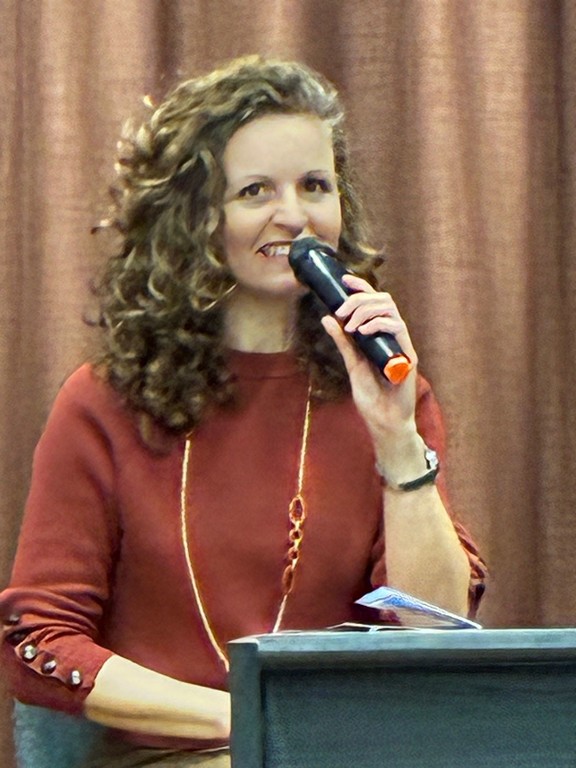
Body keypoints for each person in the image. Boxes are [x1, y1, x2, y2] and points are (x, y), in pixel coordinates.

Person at [0, 55, 486, 767]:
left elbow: (432, 628)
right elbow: (40, 644)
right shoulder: (104, 402)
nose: (294, 216)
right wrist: (247, 717)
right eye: (256, 190)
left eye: (315, 185)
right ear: (195, 217)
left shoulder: (385, 392)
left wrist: (396, 438)